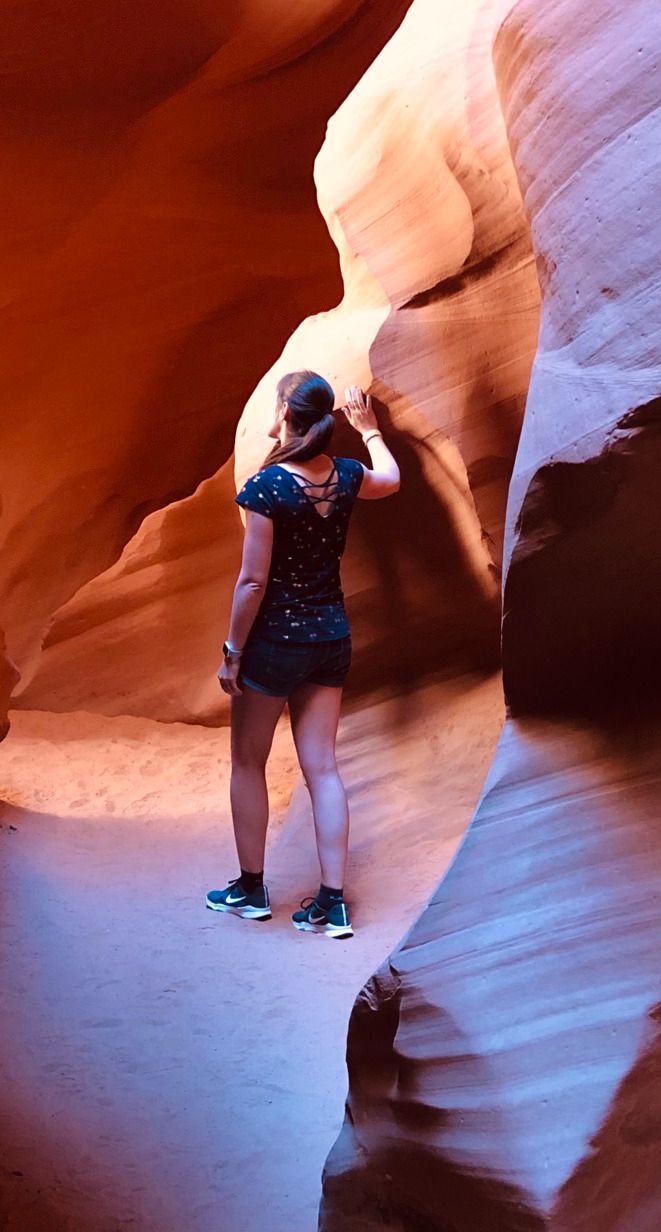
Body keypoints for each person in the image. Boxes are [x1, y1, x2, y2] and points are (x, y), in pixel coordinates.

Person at [205, 372, 400, 938]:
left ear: (287, 415)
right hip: (330, 638)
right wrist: (370, 430)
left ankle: (249, 888)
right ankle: (332, 902)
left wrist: (232, 651)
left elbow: (251, 583)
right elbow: (390, 478)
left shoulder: (267, 487)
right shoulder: (344, 477)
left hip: (273, 642)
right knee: (323, 768)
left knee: (248, 761)